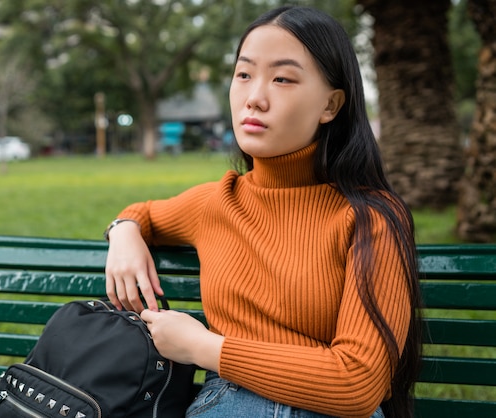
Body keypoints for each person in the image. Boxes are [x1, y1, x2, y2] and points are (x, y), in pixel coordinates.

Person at [104, 5, 422, 418]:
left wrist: (202, 347)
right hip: (228, 403)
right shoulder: (216, 202)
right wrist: (124, 231)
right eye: (244, 74)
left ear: (331, 105)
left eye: (282, 79)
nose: (254, 98)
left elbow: (357, 383)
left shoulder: (371, 217)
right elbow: (142, 213)